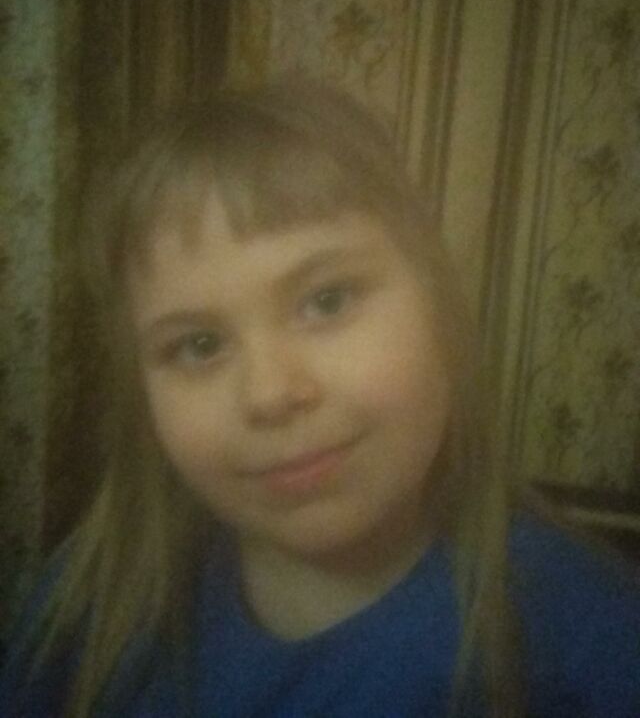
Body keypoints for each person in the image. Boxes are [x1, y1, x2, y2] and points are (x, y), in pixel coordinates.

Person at [1, 80, 639, 717]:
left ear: (440, 311)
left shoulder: (592, 644)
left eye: (327, 301)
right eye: (199, 345)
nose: (271, 394)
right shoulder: (92, 601)